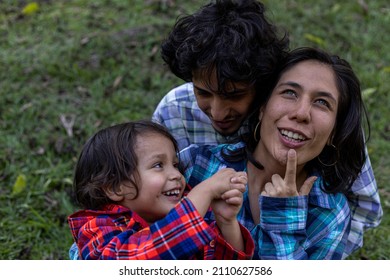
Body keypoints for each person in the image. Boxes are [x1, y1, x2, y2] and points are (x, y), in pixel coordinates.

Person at [152, 0, 382, 258]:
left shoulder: (329, 210)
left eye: (234, 95)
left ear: (260, 93)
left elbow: (363, 208)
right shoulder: (192, 150)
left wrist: (308, 241)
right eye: (203, 92)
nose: (217, 112)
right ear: (265, 106)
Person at [179, 47, 374, 259]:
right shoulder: (197, 166)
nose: (301, 114)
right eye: (289, 93)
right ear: (262, 106)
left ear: (334, 133)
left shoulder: (330, 215)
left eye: (322, 102)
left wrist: (283, 217)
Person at [67, 120, 254, 260]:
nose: (176, 175)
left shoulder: (186, 223)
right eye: (158, 165)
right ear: (115, 187)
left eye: (175, 164)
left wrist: (226, 222)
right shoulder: (97, 229)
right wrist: (203, 192)